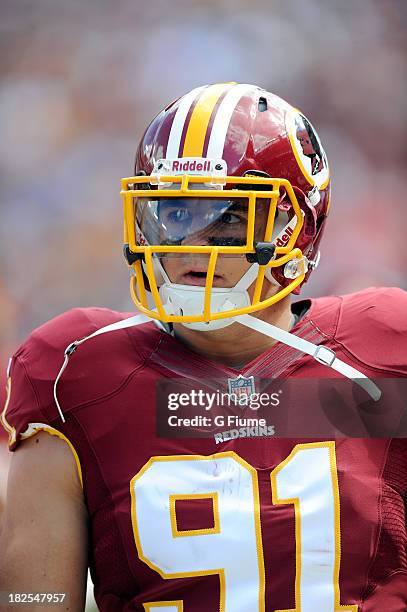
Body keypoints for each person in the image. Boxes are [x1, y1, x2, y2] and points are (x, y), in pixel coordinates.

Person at [1, 82, 406, 611]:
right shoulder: (75, 371)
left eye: (229, 218)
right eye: (174, 214)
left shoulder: (385, 345)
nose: (191, 243)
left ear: (294, 229)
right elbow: (35, 600)